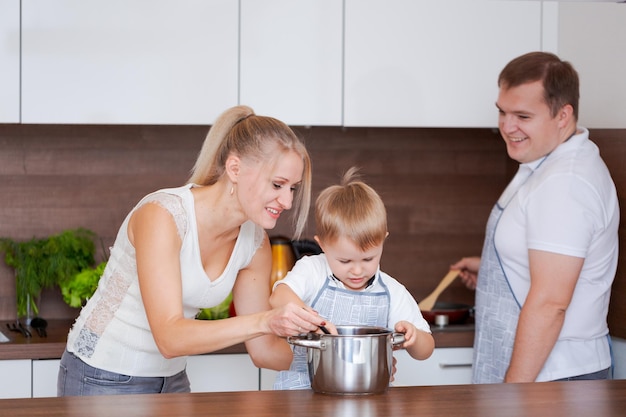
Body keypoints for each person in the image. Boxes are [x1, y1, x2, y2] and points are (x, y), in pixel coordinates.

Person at [57, 105, 328, 396]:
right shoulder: (164, 215)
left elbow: (263, 351)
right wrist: (265, 321)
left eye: (293, 189)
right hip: (101, 376)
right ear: (235, 169)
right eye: (277, 184)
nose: (286, 201)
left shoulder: (255, 243)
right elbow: (170, 338)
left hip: (171, 380)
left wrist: (339, 356)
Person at [451, 52, 619, 383]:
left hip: (556, 376)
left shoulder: (566, 182)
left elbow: (550, 303)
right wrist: (493, 269)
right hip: (543, 373)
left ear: (563, 115)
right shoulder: (544, 162)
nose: (506, 126)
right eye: (502, 112)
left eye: (522, 116)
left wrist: (512, 394)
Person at [270, 167, 435, 390]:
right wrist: (313, 322)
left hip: (367, 392)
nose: (357, 271)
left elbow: (427, 349)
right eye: (345, 261)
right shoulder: (313, 270)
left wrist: (414, 338)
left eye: (368, 259)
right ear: (323, 245)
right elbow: (279, 297)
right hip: (302, 392)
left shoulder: (390, 291)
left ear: (383, 241)